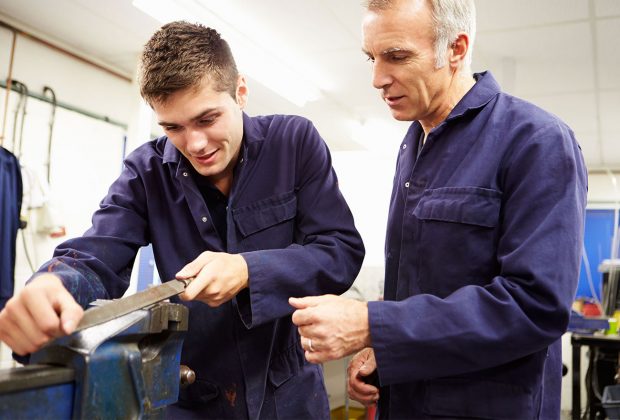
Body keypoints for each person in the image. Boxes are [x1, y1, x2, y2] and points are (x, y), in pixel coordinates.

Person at [0, 21, 365, 419]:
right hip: (192, 396)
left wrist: (248, 270)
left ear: (240, 92)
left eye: (207, 119)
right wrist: (53, 285)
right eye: (173, 127)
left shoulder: (294, 143)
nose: (195, 144)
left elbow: (339, 251)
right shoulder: (145, 171)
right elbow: (95, 255)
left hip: (290, 397)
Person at [290, 0, 587, 418]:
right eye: (371, 58)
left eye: (396, 56)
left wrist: (372, 324)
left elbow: (535, 306)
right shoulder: (413, 145)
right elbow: (420, 286)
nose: (377, 78)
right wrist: (383, 353)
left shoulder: (537, 141)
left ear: (456, 49)